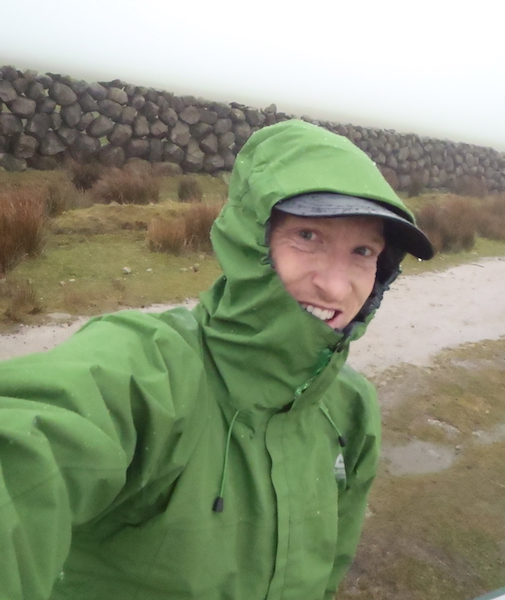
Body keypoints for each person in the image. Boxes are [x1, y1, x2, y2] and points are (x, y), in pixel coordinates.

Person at [0, 119, 433, 600]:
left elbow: (330, 567)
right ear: (251, 239)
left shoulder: (352, 409)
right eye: (308, 236)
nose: (336, 285)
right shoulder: (151, 370)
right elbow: (29, 446)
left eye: (362, 250)